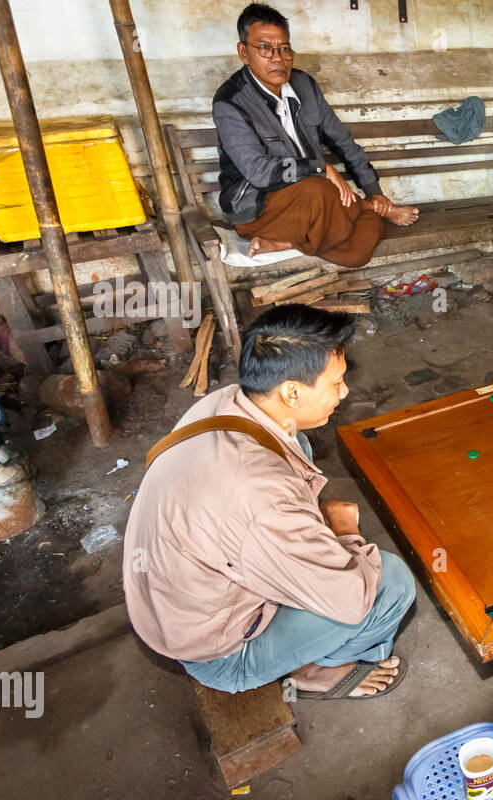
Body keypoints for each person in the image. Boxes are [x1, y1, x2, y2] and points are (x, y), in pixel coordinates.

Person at [123, 305, 416, 700]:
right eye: (336, 383)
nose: (344, 392)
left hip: (170, 602)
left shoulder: (223, 403)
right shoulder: (261, 497)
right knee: (390, 583)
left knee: (300, 441)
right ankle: (318, 671)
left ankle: (295, 570)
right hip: (218, 652)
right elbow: (350, 600)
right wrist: (345, 529)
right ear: (292, 391)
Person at [213, 4, 419, 265]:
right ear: (244, 52)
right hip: (261, 211)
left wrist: (373, 190)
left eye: (285, 48)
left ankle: (289, 242)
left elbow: (342, 141)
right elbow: (259, 173)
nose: (277, 57)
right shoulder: (230, 102)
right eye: (264, 48)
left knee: (361, 244)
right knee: (319, 190)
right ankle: (355, 212)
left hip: (320, 207)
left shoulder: (304, 85)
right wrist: (319, 168)